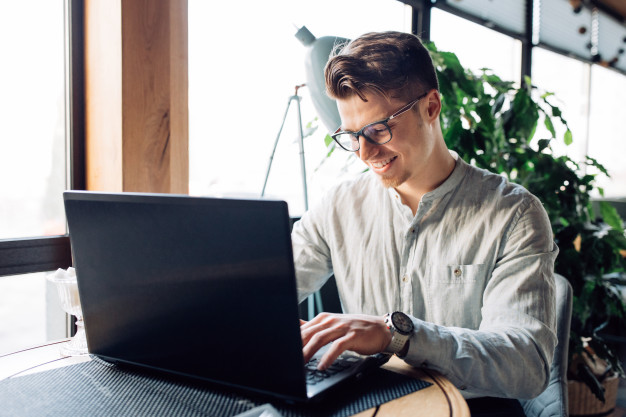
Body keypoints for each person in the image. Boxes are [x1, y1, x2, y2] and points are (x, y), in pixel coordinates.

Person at [292, 31, 558, 415]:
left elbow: (525, 364)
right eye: (351, 136)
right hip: (367, 405)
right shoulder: (338, 205)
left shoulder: (514, 214)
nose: (365, 153)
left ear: (431, 107)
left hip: (473, 408)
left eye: (378, 129)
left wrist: (395, 335)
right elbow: (267, 293)